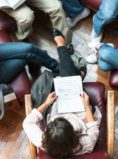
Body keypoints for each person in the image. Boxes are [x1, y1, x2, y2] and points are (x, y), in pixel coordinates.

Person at [23, 29, 101, 157]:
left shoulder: (43, 142)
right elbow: (92, 126)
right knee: (68, 77)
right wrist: (86, 105)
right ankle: (63, 48)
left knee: (64, 79)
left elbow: (27, 122)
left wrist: (47, 103)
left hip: (57, 107)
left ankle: (77, 70)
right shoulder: (87, 142)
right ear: (73, 135)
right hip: (82, 113)